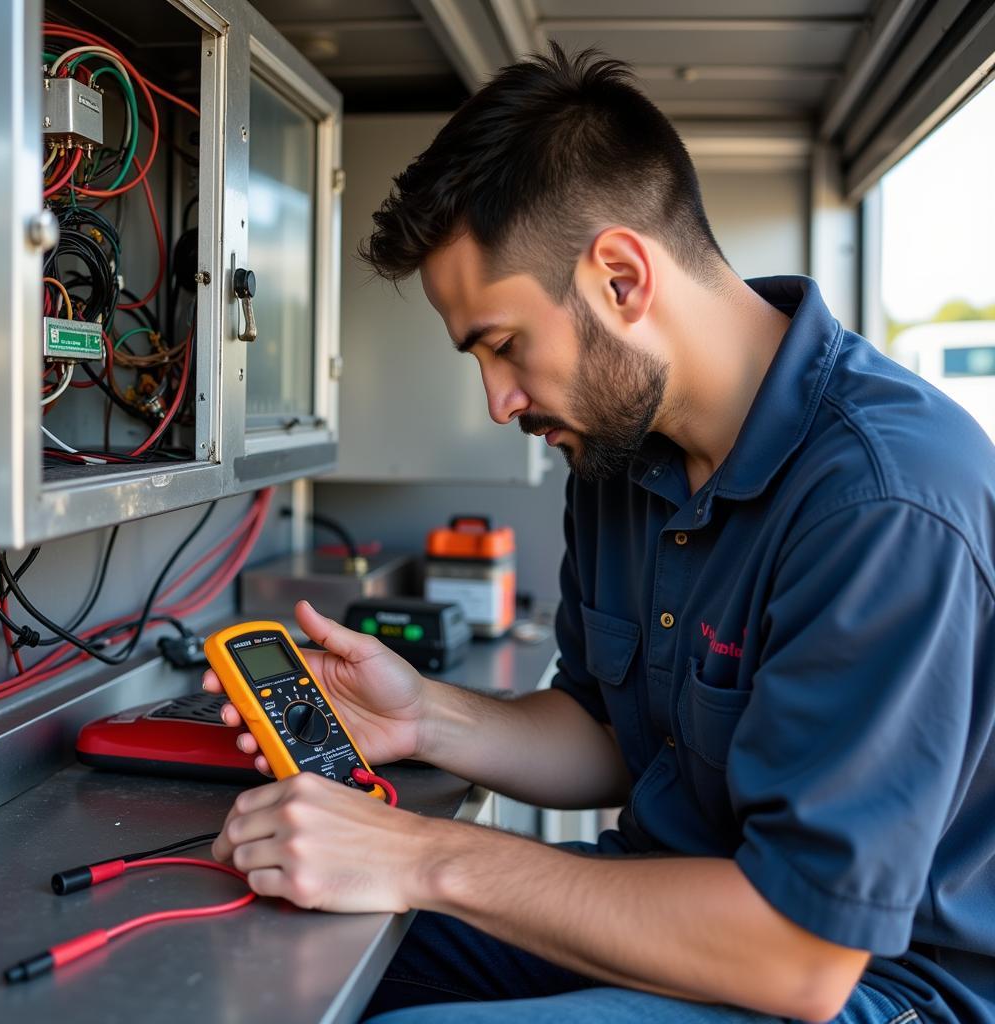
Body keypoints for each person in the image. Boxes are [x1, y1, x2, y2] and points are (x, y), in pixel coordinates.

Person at [202, 45, 995, 1024]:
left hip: (867, 984)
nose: (497, 401)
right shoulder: (616, 456)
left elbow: (800, 957)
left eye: (503, 344)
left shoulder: (885, 502)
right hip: (672, 898)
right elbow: (612, 739)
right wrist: (425, 717)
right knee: (295, 951)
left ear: (620, 277)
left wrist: (418, 856)